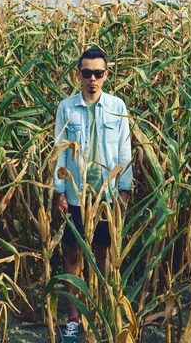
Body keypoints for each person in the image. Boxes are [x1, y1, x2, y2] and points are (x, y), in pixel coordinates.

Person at [53, 47, 133, 342]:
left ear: (106, 75)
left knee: (103, 256)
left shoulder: (116, 106)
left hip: (106, 196)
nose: (92, 79)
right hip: (76, 194)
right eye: (87, 73)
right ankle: (74, 319)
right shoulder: (67, 108)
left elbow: (124, 150)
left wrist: (124, 190)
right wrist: (59, 190)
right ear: (78, 75)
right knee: (73, 256)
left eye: (98, 73)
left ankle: (100, 311)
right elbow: (60, 151)